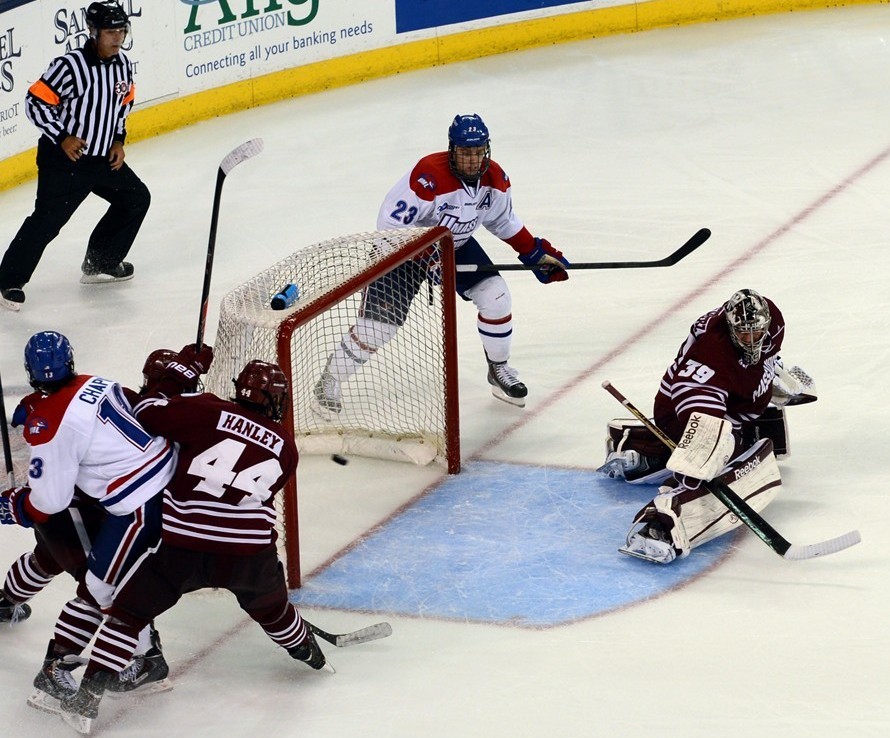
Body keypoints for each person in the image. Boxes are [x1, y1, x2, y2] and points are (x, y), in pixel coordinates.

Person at [53, 359, 326, 734]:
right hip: (248, 555)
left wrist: (173, 385)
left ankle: (86, 700)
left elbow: (145, 412)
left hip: (184, 546)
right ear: (276, 402)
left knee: (128, 614)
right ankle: (308, 652)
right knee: (273, 610)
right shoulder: (287, 447)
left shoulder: (206, 409)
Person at [312, 113, 568, 411]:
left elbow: (503, 220)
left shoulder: (494, 179)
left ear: (486, 150)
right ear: (452, 150)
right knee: (378, 328)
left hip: (454, 245)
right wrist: (428, 255)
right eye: (465, 152)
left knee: (496, 296)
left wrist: (533, 254)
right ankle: (329, 380)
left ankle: (498, 368)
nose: (472, 160)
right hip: (400, 254)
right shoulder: (428, 176)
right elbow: (390, 227)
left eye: (477, 152)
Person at [0, 331, 179, 714]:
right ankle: (139, 659)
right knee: (85, 576)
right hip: (151, 487)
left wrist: (16, 507)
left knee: (93, 582)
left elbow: (48, 499)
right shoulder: (99, 382)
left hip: (130, 502)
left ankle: (135, 661)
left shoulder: (49, 423)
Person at [600, 289, 818, 564]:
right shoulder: (709, 356)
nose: (751, 341)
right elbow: (705, 427)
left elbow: (764, 355)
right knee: (724, 449)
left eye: (756, 333)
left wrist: (771, 376)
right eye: (743, 335)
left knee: (736, 438)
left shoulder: (773, 320)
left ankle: (647, 451)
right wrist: (699, 466)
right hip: (681, 412)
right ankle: (658, 518)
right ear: (730, 329)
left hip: (732, 402)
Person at [0, 2, 150, 312]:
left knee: (136, 198)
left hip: (101, 160)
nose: (118, 37)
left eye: (122, 30)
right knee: (47, 221)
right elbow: (35, 103)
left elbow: (123, 104)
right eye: (111, 31)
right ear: (94, 33)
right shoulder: (69, 65)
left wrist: (118, 140)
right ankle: (8, 281)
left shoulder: (123, 65)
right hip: (64, 160)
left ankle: (100, 262)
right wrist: (62, 137)